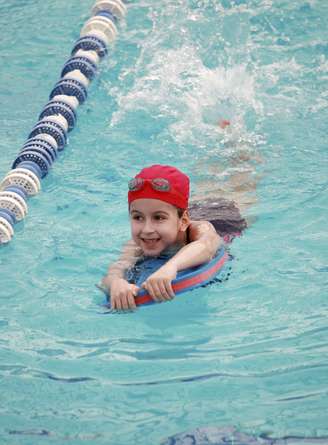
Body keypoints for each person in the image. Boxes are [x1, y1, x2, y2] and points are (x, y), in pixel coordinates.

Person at [100, 164, 248, 311]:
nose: (147, 229)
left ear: (183, 222)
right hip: (182, 210)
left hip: (225, 216)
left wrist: (170, 268)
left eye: (158, 218)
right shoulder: (136, 246)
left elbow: (206, 247)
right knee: (207, 181)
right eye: (138, 217)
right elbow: (114, 271)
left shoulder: (200, 229)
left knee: (240, 180)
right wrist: (116, 283)